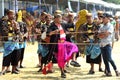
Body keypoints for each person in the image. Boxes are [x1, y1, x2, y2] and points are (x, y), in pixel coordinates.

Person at [48, 14, 78, 78]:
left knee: (74, 46)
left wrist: (71, 18)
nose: (61, 20)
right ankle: (62, 72)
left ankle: (73, 60)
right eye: (59, 18)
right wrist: (54, 32)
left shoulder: (63, 24)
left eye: (61, 18)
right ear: (55, 19)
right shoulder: (52, 26)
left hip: (64, 42)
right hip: (57, 45)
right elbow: (49, 33)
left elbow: (71, 24)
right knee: (61, 59)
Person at [0, 10, 20, 75]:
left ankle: (14, 69)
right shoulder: (4, 23)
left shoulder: (16, 23)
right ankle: (3, 70)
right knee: (7, 55)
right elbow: (3, 32)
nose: (12, 16)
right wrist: (10, 27)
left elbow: (18, 32)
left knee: (16, 55)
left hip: (15, 42)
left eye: (13, 14)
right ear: (8, 15)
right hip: (8, 42)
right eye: (11, 14)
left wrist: (16, 28)